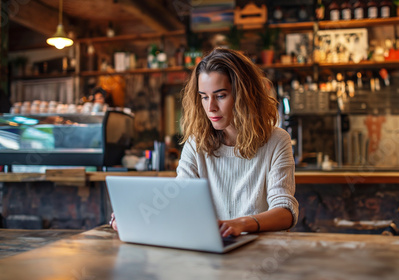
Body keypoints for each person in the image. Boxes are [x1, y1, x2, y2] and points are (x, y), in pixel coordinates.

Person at [111, 48, 298, 237]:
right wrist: (132, 215)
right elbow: (178, 200)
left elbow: (285, 212)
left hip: (260, 252)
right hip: (213, 251)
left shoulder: (277, 140)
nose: (211, 108)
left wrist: (241, 224)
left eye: (221, 96)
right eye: (204, 97)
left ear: (245, 95)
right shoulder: (196, 143)